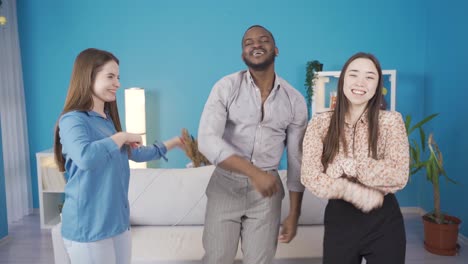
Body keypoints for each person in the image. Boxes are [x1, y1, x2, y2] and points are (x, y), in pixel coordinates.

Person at [53, 48, 184, 264]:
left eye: (118, 77)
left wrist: (173, 143)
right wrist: (121, 137)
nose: (118, 83)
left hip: (117, 223)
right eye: (110, 76)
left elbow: (137, 154)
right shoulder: (73, 120)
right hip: (88, 227)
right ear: (88, 76)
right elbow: (85, 157)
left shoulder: (107, 121)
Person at [198, 25, 308, 264]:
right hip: (225, 184)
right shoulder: (225, 87)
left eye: (263, 40)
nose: (256, 45)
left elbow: (296, 160)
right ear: (243, 54)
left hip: (267, 193)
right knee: (217, 258)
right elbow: (207, 140)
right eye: (249, 42)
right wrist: (253, 173)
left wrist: (294, 213)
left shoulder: (295, 100)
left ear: (276, 50)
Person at [301, 52, 409, 264]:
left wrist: (349, 166)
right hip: (339, 221)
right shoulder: (320, 124)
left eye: (370, 77)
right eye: (354, 74)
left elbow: (399, 174)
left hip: (384, 221)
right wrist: (352, 191)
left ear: (377, 85)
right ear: (343, 80)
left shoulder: (392, 122)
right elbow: (310, 176)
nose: (361, 83)